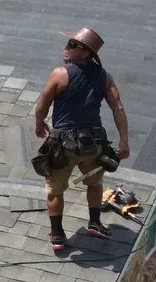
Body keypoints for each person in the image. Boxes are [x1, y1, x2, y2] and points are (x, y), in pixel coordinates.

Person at [32, 26, 132, 252]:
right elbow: (117, 107)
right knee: (95, 183)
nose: (66, 48)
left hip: (63, 144)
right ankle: (94, 223)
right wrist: (123, 140)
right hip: (93, 142)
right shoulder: (104, 77)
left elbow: (42, 105)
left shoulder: (60, 74)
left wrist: (39, 123)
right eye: (68, 43)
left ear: (87, 53)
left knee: (55, 190)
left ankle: (57, 235)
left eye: (72, 45)